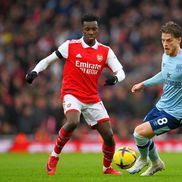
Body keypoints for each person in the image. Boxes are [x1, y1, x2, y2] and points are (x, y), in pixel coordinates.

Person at [25, 14, 125, 175]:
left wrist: (115, 79)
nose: (91, 32)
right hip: (72, 94)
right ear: (82, 30)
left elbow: (121, 72)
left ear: (98, 30)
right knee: (73, 122)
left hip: (92, 98)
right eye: (87, 29)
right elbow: (48, 60)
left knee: (109, 136)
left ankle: (107, 168)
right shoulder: (70, 46)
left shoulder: (105, 51)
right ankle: (54, 157)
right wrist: (35, 71)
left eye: (94, 29)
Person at [127, 21, 182, 176]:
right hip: (161, 106)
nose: (165, 44)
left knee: (139, 133)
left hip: (175, 114)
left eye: (169, 40)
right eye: (163, 40)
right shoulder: (165, 55)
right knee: (143, 137)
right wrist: (144, 84)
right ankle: (157, 163)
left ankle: (143, 159)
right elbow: (164, 75)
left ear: (179, 39)